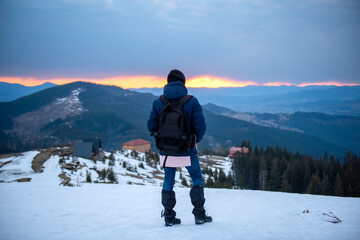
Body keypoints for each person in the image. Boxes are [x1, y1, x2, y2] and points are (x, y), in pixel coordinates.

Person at [147, 69, 213, 226]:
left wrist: (162, 140)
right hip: (187, 149)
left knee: (168, 179)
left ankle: (169, 217)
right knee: (196, 177)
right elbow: (200, 126)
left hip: (166, 150)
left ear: (168, 82)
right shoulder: (191, 101)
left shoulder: (158, 102)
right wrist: (195, 141)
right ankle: (199, 215)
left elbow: (151, 125)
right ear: (183, 82)